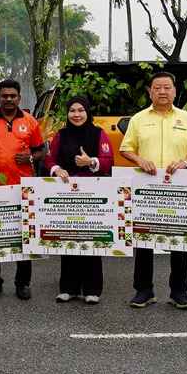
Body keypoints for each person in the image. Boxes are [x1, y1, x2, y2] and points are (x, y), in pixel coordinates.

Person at [118, 70, 187, 310]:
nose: (163, 91)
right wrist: (139, 160)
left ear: (175, 91)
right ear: (150, 91)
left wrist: (185, 162)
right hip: (147, 188)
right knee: (143, 238)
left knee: (180, 239)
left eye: (167, 87)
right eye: (157, 87)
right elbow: (125, 148)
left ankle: (179, 292)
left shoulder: (186, 118)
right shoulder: (138, 119)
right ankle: (143, 291)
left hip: (178, 189)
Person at [0, 79, 46, 300]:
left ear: (19, 98)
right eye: (4, 96)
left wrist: (30, 157)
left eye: (12, 96)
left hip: (22, 188)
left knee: (23, 236)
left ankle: (23, 283)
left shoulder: (30, 122)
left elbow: (41, 151)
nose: (8, 99)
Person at [46, 96, 112, 304]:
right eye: (72, 110)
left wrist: (90, 161)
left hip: (92, 194)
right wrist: (57, 169)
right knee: (69, 238)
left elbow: (109, 161)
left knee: (91, 238)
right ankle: (68, 288)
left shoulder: (99, 134)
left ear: (88, 112)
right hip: (66, 193)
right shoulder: (61, 135)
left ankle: (92, 289)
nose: (76, 114)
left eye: (81, 110)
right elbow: (49, 158)